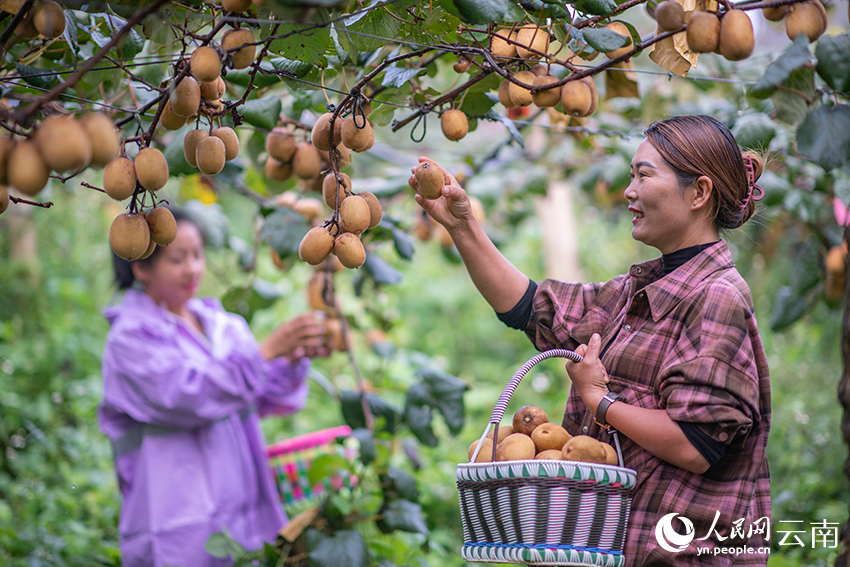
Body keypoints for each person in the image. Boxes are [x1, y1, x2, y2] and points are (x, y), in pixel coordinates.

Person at [410, 115, 770, 566]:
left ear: (698, 193)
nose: (629, 191)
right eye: (630, 175)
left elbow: (696, 446)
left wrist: (598, 400)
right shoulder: (634, 291)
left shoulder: (717, 297)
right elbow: (531, 309)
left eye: (644, 175)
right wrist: (461, 225)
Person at [99, 208, 328, 567]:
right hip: (176, 521)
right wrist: (265, 352)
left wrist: (291, 359)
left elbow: (263, 395)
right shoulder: (129, 339)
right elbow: (183, 396)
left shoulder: (224, 325)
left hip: (242, 510)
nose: (193, 268)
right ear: (141, 267)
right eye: (178, 258)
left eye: (198, 254)